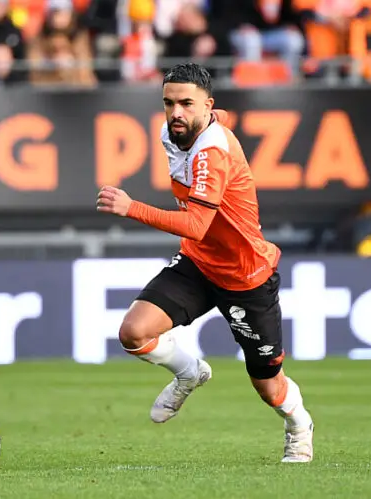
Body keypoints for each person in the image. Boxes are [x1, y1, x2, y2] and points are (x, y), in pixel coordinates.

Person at [96, 62, 313, 463]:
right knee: (134, 332)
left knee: (268, 386)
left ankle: (299, 426)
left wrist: (131, 208)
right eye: (169, 103)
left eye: (186, 104)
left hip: (245, 275)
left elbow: (196, 224)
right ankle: (189, 372)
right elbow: (218, 118)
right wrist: (211, 115)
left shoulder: (212, 152)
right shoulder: (175, 131)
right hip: (199, 264)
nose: (176, 112)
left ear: (206, 105)